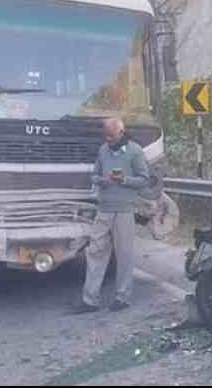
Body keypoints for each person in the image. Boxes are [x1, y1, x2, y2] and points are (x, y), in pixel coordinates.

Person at [69, 118, 150, 315]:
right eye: (106, 136)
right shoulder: (103, 150)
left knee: (124, 255)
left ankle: (122, 298)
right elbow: (94, 175)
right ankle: (90, 300)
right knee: (95, 252)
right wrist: (101, 180)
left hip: (124, 211)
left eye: (112, 136)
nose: (108, 139)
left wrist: (125, 180)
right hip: (104, 209)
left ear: (122, 133)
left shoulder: (135, 151)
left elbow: (144, 180)